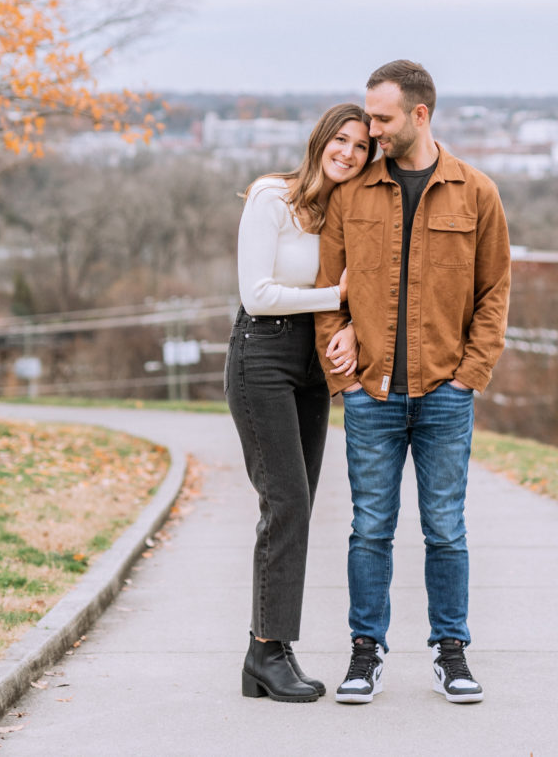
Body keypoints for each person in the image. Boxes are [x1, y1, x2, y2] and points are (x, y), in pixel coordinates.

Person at [315, 60, 510, 705]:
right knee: (370, 527)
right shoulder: (352, 194)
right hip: (370, 393)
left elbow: (494, 293)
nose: (370, 129)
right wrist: (339, 372)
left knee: (445, 528)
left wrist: (469, 376)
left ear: (419, 115)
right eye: (369, 115)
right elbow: (328, 294)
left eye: (381, 118)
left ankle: (450, 651)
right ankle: (364, 654)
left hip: (444, 397)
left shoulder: (475, 192)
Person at [227, 103, 371, 703]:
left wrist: (348, 321)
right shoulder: (272, 198)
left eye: (362, 147)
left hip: (313, 363)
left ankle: (268, 651)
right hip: (262, 356)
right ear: (320, 140)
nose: (349, 153)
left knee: (300, 504)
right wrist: (332, 295)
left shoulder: (343, 210)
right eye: (341, 140)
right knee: (284, 501)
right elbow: (257, 295)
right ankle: (267, 651)